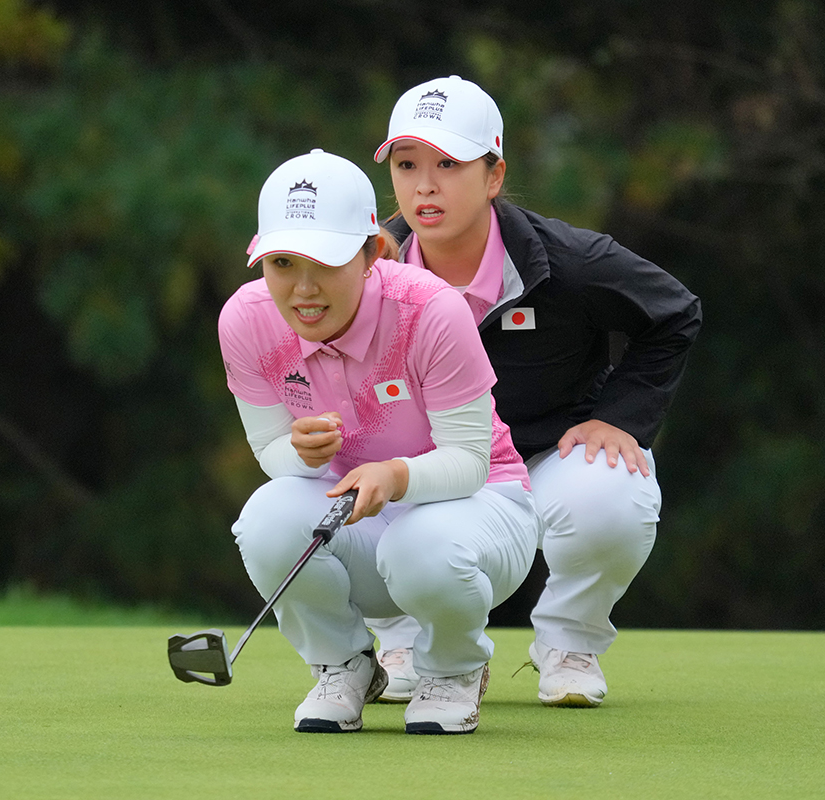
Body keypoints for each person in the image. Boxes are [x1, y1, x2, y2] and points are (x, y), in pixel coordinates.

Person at [365, 76, 702, 708]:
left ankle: (569, 644)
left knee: (613, 493)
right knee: (342, 482)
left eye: (448, 164)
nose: (424, 185)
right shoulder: (366, 268)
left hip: (543, 455)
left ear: (493, 177)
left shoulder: (570, 261)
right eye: (407, 165)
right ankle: (404, 642)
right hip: (427, 463)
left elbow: (673, 314)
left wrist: (621, 417)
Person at [219, 148, 541, 734]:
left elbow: (471, 462)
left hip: (483, 511)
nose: (304, 288)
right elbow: (272, 455)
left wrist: (394, 476)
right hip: (362, 523)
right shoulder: (247, 320)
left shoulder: (429, 310)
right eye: (283, 262)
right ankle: (343, 665)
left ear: (371, 253)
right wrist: (300, 451)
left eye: (327, 261)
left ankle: (453, 669)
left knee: (420, 545)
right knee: (265, 518)